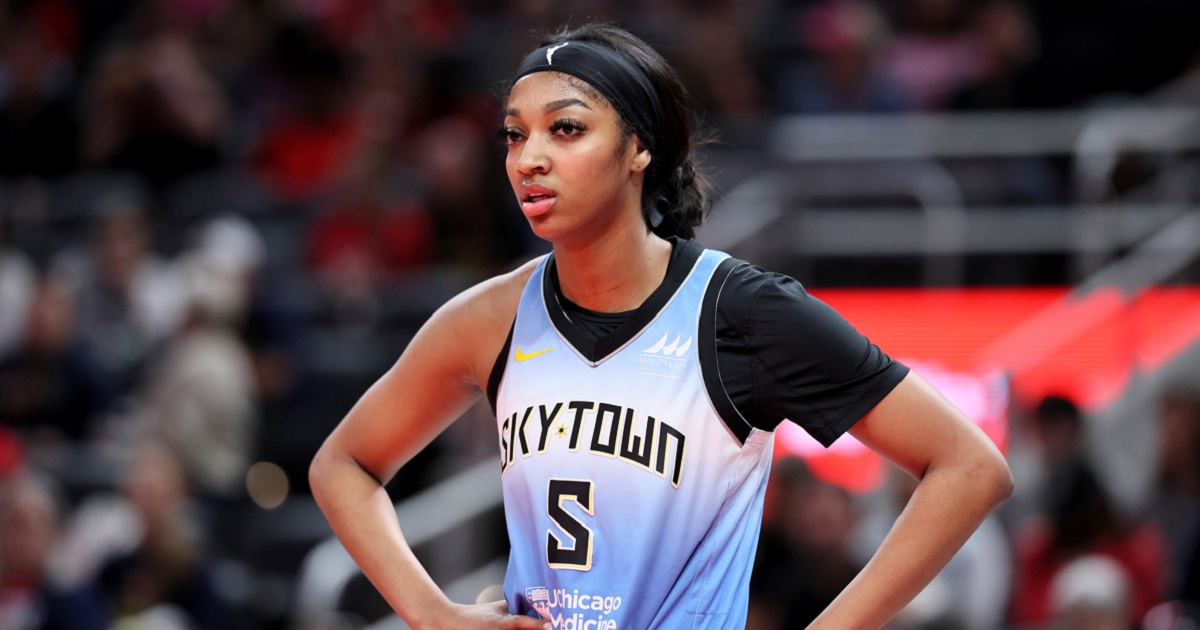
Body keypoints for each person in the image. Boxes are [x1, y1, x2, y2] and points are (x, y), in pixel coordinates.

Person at [309, 22, 1013, 630]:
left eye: (567, 129)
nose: (530, 158)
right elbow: (343, 463)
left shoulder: (740, 309)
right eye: (515, 135)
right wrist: (429, 611)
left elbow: (969, 467)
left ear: (638, 148)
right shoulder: (489, 317)